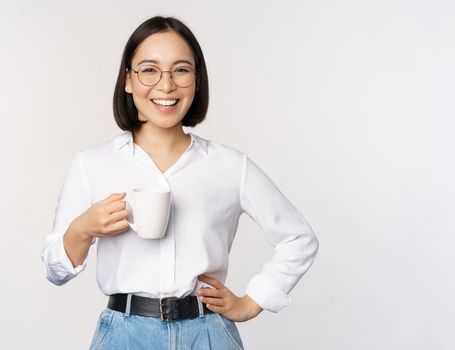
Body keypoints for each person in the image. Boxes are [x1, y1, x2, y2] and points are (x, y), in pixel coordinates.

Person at [40, 16, 319, 350]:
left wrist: (252, 301)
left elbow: (298, 238)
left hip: (209, 334)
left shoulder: (230, 166)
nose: (166, 85)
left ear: (196, 81)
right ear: (128, 80)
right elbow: (55, 271)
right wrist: (83, 229)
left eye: (181, 70)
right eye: (149, 70)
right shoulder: (93, 163)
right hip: (124, 337)